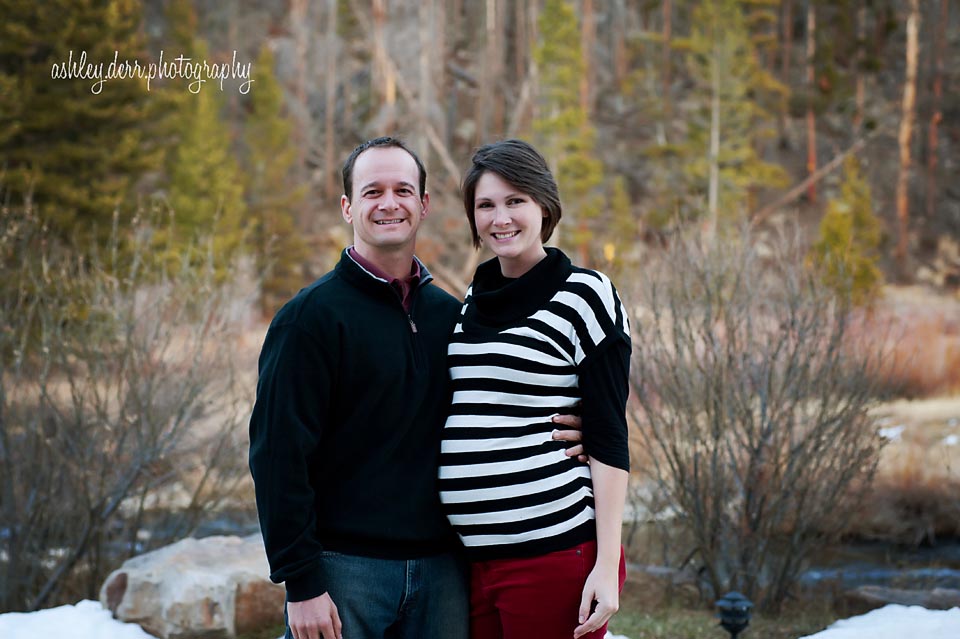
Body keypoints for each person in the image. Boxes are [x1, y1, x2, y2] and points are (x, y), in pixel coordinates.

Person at [248, 136, 585, 639]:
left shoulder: (454, 317)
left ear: (423, 205)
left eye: (403, 190)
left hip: (444, 573)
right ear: (347, 207)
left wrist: (581, 426)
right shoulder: (309, 320)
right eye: (372, 191)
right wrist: (301, 583)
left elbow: (496, 405)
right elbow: (277, 457)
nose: (389, 203)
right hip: (346, 574)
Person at [438, 139, 631, 639]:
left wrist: (607, 565)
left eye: (514, 200)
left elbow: (609, 438)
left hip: (551, 553)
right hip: (474, 563)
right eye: (485, 205)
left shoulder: (585, 296)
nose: (500, 217)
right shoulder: (470, 302)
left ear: (544, 205)